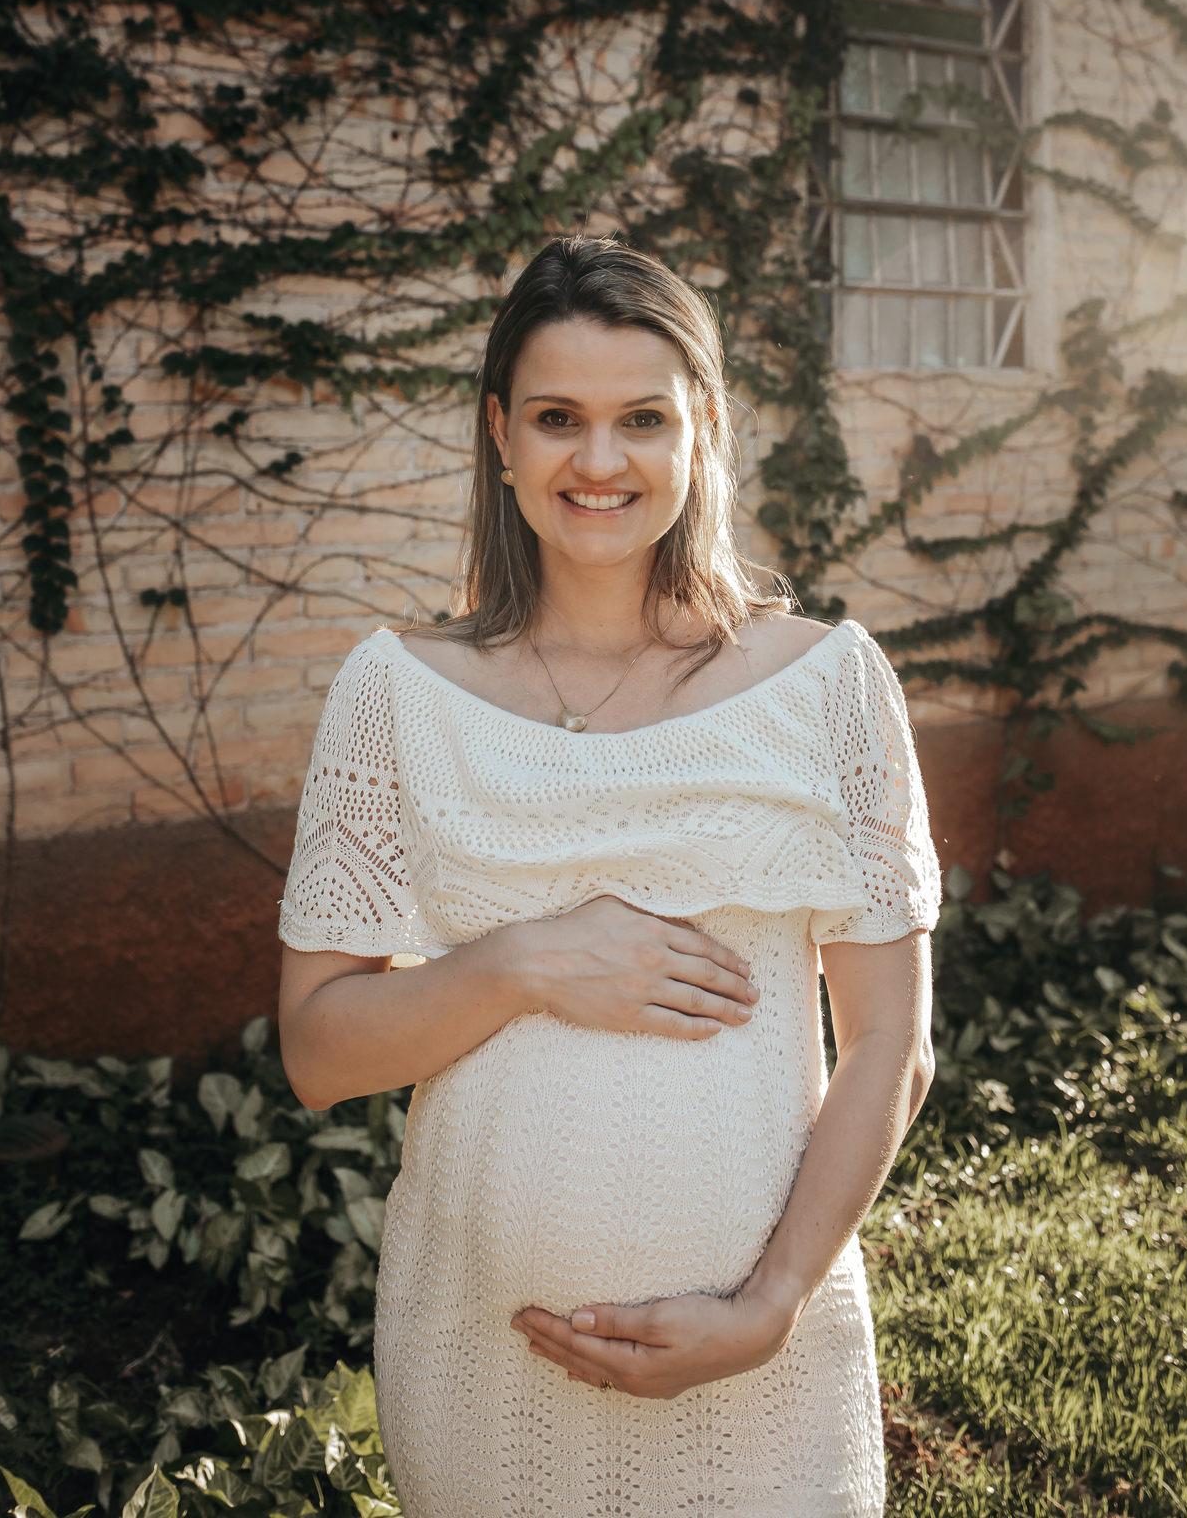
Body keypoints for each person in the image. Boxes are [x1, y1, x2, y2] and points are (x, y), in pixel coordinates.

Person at [277, 235, 940, 1518]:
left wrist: (768, 1304)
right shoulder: (395, 693)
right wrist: (522, 963)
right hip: (483, 1359)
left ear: (704, 429)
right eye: (557, 418)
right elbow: (318, 1051)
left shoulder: (828, 686)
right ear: (499, 435)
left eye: (643, 418)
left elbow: (889, 1046)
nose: (599, 461)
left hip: (761, 1366)